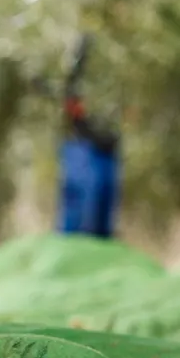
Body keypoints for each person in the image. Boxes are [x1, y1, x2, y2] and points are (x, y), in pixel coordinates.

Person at [55, 36, 121, 239]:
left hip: (105, 151)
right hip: (85, 150)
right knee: (81, 218)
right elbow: (71, 102)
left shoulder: (114, 71)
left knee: (101, 217)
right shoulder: (77, 81)